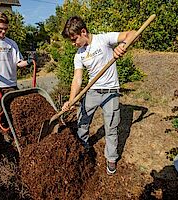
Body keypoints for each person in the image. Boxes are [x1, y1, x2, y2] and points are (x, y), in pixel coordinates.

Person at [61, 16, 136, 175]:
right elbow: (77, 78)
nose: (73, 44)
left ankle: (111, 158)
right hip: (92, 92)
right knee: (82, 120)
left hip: (111, 92)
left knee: (111, 127)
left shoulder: (104, 39)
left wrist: (123, 45)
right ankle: (83, 146)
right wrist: (71, 99)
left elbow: (133, 33)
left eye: (74, 39)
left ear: (83, 32)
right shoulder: (79, 55)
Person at [0, 12, 35, 132]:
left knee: (16, 112)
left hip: (11, 85)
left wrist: (29, 61)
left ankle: (19, 134)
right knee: (0, 114)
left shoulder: (11, 44)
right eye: (0, 29)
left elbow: (18, 63)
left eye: (5, 29)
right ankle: (7, 137)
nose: (3, 32)